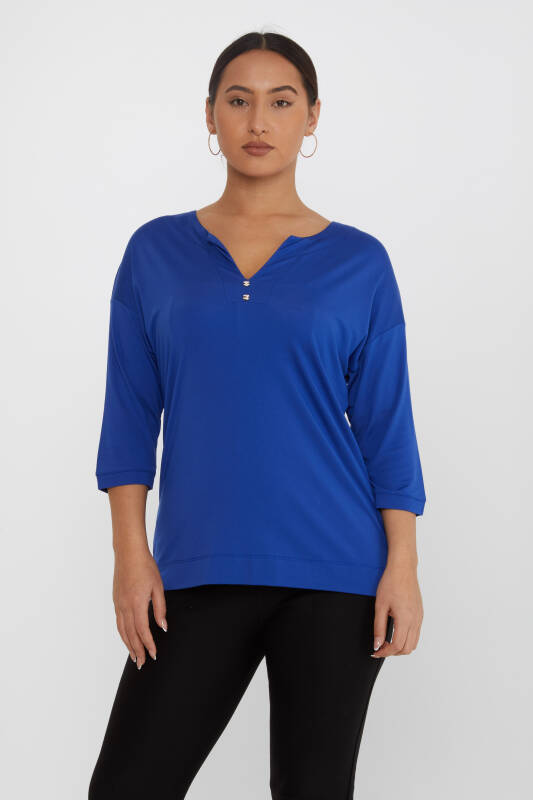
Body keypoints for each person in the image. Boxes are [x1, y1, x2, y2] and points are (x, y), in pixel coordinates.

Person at [88, 30, 426, 800]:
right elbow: (130, 419)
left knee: (311, 790)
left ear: (312, 117)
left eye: (281, 101)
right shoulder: (154, 253)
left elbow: (386, 427)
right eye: (238, 101)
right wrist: (130, 558)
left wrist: (402, 566)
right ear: (210, 116)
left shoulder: (359, 262)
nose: (258, 121)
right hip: (196, 566)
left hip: (336, 571)